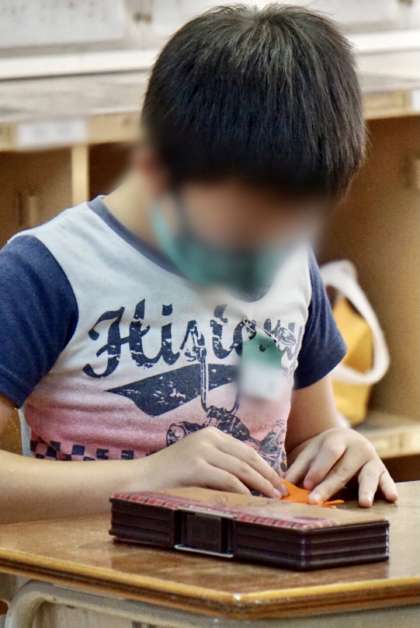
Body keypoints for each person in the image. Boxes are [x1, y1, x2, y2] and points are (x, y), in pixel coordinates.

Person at [0, 5, 397, 523]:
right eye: (242, 232)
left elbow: (312, 436)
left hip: (248, 569)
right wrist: (143, 480)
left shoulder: (291, 266)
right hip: (89, 573)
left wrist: (341, 450)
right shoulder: (48, 272)